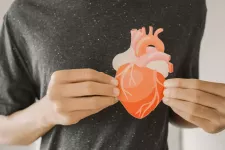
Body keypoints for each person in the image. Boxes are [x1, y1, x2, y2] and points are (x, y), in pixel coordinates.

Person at [0, 0, 224, 150]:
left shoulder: (186, 6)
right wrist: (46, 113)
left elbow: (176, 108)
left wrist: (210, 112)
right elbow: (4, 132)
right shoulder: (26, 13)